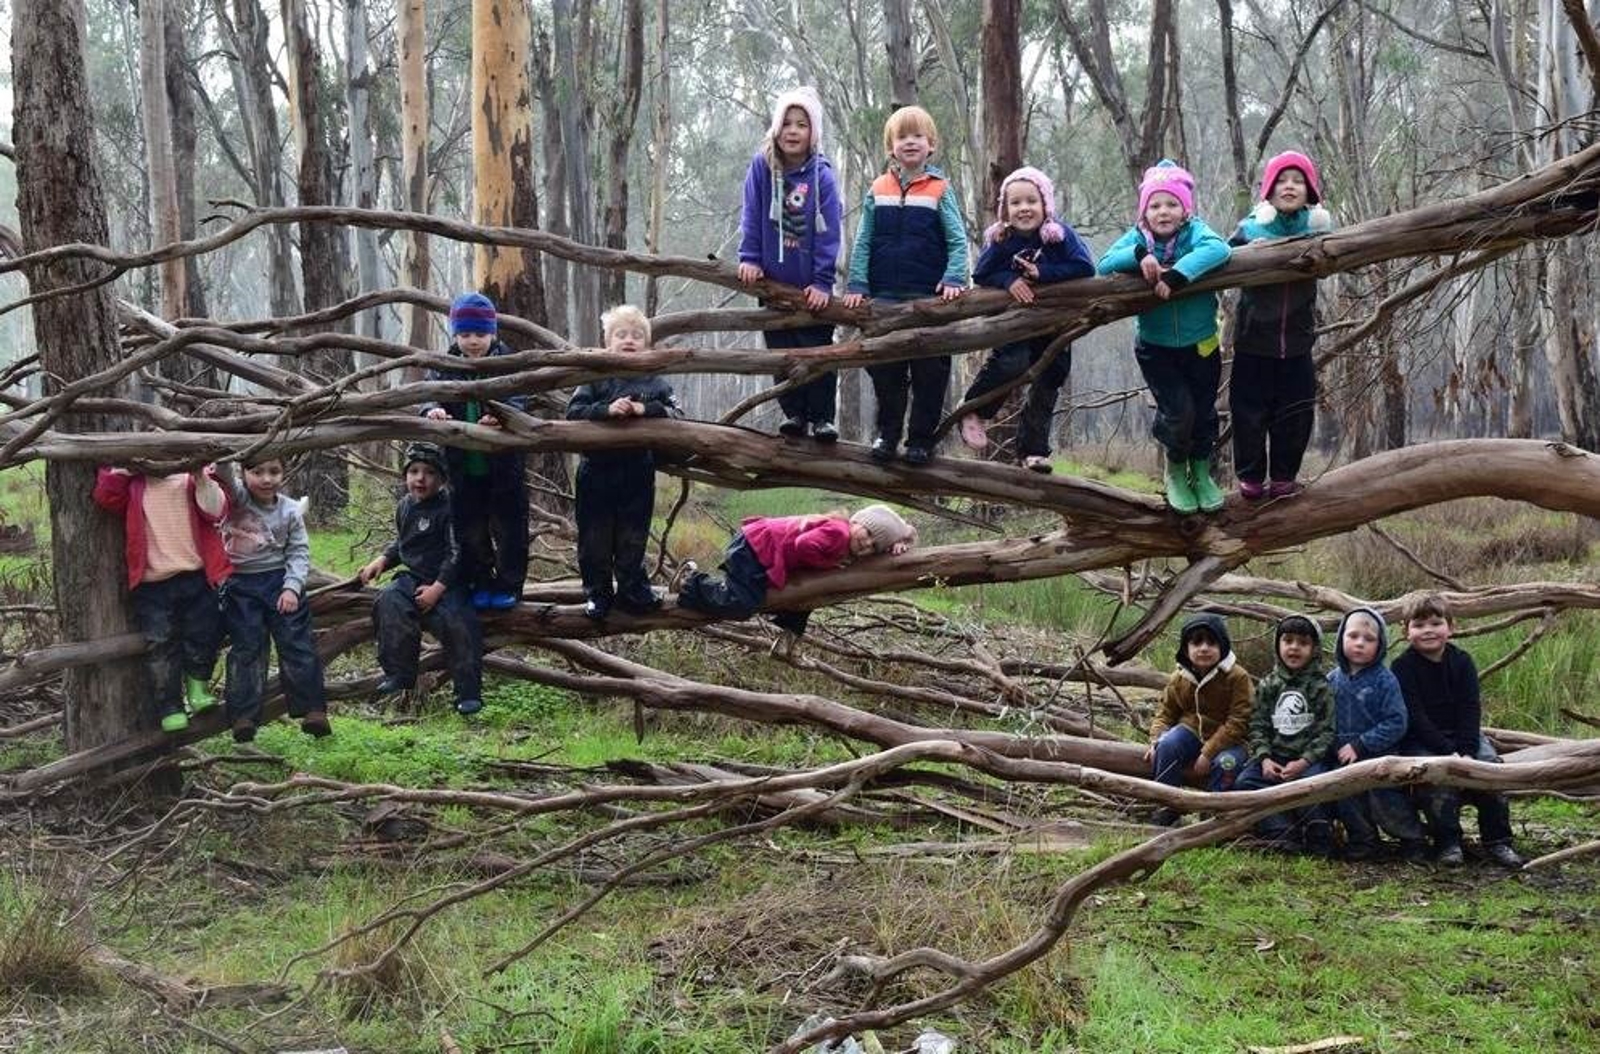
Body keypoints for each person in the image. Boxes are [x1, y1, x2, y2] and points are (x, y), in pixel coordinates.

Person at [1096, 160, 1232, 515]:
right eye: (1155, 205)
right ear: (1144, 212)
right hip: (1156, 348)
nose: (1163, 212)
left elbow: (1220, 250)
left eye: (1172, 204)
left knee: (1203, 413)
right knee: (1178, 412)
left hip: (1202, 343)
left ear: (1185, 210)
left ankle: (1201, 474)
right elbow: (1104, 263)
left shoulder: (1196, 233)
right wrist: (1139, 255)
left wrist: (1178, 276)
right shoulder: (1138, 238)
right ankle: (1174, 470)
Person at [842, 105, 969, 466]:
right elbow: (864, 239)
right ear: (890, 147)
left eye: (918, 136)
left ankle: (921, 441)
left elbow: (957, 240)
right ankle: (887, 434)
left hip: (928, 298)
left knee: (931, 374)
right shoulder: (878, 188)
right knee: (886, 371)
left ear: (931, 145)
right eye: (902, 137)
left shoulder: (940, 189)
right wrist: (857, 283)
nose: (910, 142)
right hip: (885, 300)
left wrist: (954, 278)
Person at [957, 165, 1096, 473]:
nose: (1024, 208)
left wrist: (1043, 274)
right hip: (1016, 322)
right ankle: (974, 411)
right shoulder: (1002, 239)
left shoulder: (1059, 236)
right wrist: (1009, 280)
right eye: (1015, 203)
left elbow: (1085, 268)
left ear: (1045, 204)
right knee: (1011, 362)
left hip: (1056, 323)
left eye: (1031, 201)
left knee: (1050, 380)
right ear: (1005, 209)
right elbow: (981, 272)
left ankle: (1033, 450)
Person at [737, 86, 844, 442]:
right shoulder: (761, 167)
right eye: (786, 123)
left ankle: (822, 418)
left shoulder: (822, 177)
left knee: (817, 352)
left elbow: (830, 234)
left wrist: (823, 282)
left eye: (802, 124)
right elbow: (752, 213)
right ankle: (794, 415)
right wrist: (750, 257)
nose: (793, 131)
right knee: (781, 353)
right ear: (775, 128)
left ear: (814, 133)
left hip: (811, 289)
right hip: (773, 285)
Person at [93, 462, 231, 733]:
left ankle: (198, 689)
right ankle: (170, 705)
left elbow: (216, 510)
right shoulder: (136, 483)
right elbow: (105, 498)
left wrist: (200, 476)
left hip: (197, 575)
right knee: (161, 643)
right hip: (153, 583)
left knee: (205, 633)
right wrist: (124, 470)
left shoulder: (192, 479)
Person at [1228, 151, 1334, 500]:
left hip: (1298, 344)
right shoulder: (1249, 227)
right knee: (1248, 415)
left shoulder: (1320, 229)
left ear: (1310, 191)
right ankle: (1251, 478)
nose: (1289, 187)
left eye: (1298, 181)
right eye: (1281, 181)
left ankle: (1285, 477)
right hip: (1253, 342)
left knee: (1297, 414)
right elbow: (1221, 260)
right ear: (1269, 190)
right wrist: (1249, 255)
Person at [566, 305, 681, 621]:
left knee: (633, 536)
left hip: (637, 471)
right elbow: (573, 413)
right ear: (607, 342)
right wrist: (605, 410)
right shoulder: (595, 377)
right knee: (594, 539)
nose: (629, 340)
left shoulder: (655, 382)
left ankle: (632, 590)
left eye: (636, 335)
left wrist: (646, 411)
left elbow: (677, 414)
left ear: (646, 343)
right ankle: (598, 594)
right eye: (621, 335)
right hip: (595, 472)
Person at [1391, 594, 1524, 868]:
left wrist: (1465, 750)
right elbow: (1416, 718)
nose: (1428, 630)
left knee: (1491, 772)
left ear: (1451, 627)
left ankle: (1498, 841)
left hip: (1465, 736)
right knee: (1436, 781)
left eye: (1436, 622)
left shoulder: (1463, 662)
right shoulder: (1402, 667)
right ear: (1405, 631)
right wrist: (1449, 754)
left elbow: (1470, 709)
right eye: (1418, 624)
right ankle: (1448, 842)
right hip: (1422, 739)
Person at [676, 504, 916, 651]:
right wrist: (828, 565)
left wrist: (902, 542)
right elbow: (803, 545)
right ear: (858, 522)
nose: (868, 544)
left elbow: (905, 531)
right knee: (741, 604)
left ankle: (787, 637)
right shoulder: (839, 533)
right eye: (870, 533)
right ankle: (690, 581)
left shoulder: (846, 538)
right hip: (755, 548)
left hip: (762, 549)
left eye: (875, 547)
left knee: (807, 595)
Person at [420, 291, 529, 611]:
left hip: (504, 468)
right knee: (471, 530)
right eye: (465, 334)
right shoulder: (445, 366)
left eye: (480, 334)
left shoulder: (508, 363)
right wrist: (432, 411)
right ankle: (480, 581)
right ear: (455, 334)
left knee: (509, 530)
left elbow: (519, 399)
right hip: (462, 468)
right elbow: (427, 395)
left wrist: (502, 415)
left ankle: (509, 586)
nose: (473, 341)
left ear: (492, 332)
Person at [358, 443, 484, 716]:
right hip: (414, 576)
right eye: (413, 471)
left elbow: (456, 552)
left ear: (441, 478)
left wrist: (438, 588)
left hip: (449, 580)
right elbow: (403, 545)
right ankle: (400, 672)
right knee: (388, 601)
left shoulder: (449, 507)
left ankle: (468, 692)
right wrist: (381, 561)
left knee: (458, 623)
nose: (420, 478)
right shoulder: (404, 506)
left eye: (429, 472)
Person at [217, 454, 329, 742]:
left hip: (279, 581)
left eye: (274, 471)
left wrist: (292, 587)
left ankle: (312, 709)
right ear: (243, 474)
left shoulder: (290, 510)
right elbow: (224, 473)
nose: (267, 479)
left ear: (283, 474)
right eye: (257, 472)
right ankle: (243, 716)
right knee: (247, 646)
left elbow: (298, 551)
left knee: (297, 642)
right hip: (241, 584)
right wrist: (226, 449)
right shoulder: (237, 498)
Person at [1327, 607, 1428, 861]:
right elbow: (1323, 720)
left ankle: (1412, 839)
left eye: (1369, 639)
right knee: (1347, 798)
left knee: (1387, 801)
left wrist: (1362, 744)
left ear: (1380, 644)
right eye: (1353, 636)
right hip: (1341, 757)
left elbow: (1397, 721)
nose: (1360, 644)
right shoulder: (1331, 680)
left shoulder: (1385, 680)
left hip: (1379, 757)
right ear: (1341, 639)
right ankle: (1364, 840)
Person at [1232, 615, 1337, 854]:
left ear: (1314, 648)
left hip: (1308, 760)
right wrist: (1265, 757)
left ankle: (1318, 832)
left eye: (1303, 642)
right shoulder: (1269, 684)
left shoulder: (1321, 687)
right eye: (1287, 640)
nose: (1294, 647)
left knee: (1316, 784)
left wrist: (1304, 762)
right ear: (1278, 645)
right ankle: (1280, 830)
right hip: (1274, 758)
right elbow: (1257, 725)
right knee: (1245, 782)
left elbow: (1326, 731)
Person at [1143, 614, 1252, 826]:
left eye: (1212, 642)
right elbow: (1165, 713)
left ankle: (1214, 814)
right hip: (1191, 732)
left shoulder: (1237, 677)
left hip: (1231, 741)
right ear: (1186, 648)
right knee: (1166, 745)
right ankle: (1168, 804)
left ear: (1223, 646)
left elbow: (1239, 720)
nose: (1204, 648)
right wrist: (1155, 739)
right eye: (1197, 642)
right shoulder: (1179, 677)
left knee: (1226, 764)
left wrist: (1208, 753)